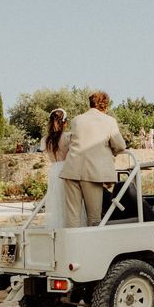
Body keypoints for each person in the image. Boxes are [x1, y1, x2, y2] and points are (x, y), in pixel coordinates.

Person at [59, 91, 127, 227]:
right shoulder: (109, 121)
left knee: (72, 215)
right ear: (105, 105)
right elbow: (120, 145)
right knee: (94, 218)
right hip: (92, 173)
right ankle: (91, 247)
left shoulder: (76, 120)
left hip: (71, 170)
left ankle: (72, 247)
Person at [40, 108, 72, 228]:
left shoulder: (45, 140)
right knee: (69, 201)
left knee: (56, 202)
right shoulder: (68, 137)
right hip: (66, 169)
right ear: (65, 122)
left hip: (54, 170)